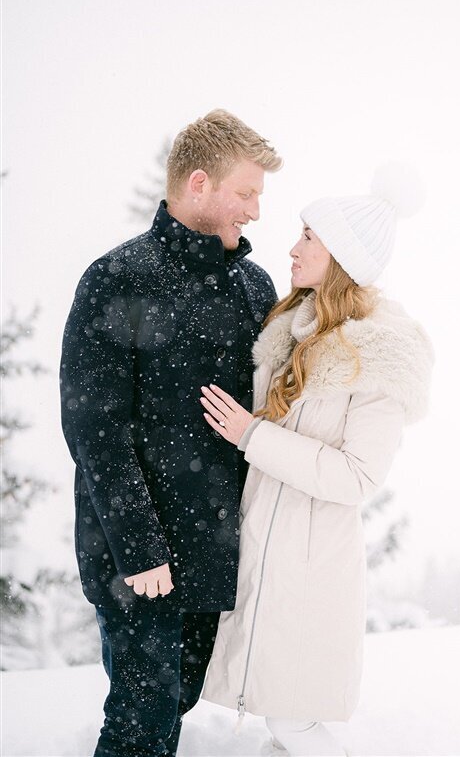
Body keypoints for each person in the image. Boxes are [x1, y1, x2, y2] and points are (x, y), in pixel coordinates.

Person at [59, 109, 282, 757]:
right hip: (138, 557)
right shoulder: (118, 278)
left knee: (174, 702)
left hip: (214, 551)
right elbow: (93, 426)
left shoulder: (253, 284)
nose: (256, 211)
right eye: (246, 193)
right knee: (141, 719)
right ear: (199, 183)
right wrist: (139, 547)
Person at [200, 163, 435, 757]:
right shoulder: (292, 334)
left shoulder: (379, 356)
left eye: (309, 236)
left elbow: (357, 477)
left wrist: (254, 436)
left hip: (310, 577)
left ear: (342, 256)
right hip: (267, 561)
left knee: (292, 722)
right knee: (283, 723)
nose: (292, 247)